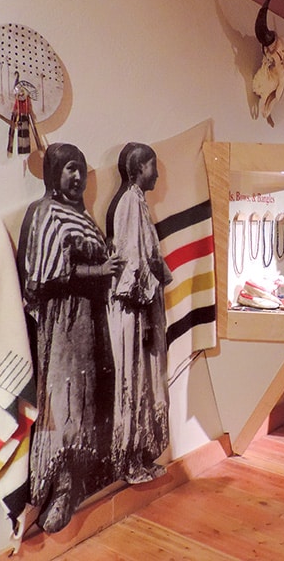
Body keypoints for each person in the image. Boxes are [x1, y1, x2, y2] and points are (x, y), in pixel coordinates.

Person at [20, 143, 124, 533]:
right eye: (69, 170)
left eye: (80, 169)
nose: (77, 177)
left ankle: (84, 475)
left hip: (92, 319)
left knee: (93, 397)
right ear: (52, 175)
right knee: (65, 400)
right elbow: (45, 276)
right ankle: (60, 486)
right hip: (64, 322)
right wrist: (100, 273)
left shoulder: (82, 216)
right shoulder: (46, 214)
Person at [106, 143, 173, 484]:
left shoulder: (139, 203)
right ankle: (130, 462)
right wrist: (145, 310)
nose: (157, 174)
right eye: (152, 167)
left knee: (147, 382)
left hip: (143, 307)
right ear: (138, 169)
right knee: (134, 382)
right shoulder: (130, 203)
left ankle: (142, 455)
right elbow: (132, 260)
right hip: (134, 310)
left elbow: (149, 256)